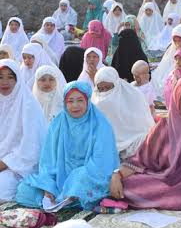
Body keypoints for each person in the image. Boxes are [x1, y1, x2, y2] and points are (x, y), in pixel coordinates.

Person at [108, 77, 181, 210]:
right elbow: (141, 158)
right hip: (165, 177)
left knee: (178, 196)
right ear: (176, 100)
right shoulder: (165, 125)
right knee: (126, 184)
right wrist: (117, 175)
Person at [16, 80, 118, 210]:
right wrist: (48, 186)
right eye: (70, 101)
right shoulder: (58, 123)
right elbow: (48, 159)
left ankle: (72, 196)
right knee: (24, 191)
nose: (75, 105)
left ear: (87, 100)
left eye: (80, 100)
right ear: (65, 103)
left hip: (88, 174)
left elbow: (102, 162)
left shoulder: (100, 124)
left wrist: (78, 177)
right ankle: (65, 198)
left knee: (78, 180)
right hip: (60, 175)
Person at [0, 59, 47, 202]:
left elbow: (31, 148)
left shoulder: (28, 105)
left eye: (10, 77)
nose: (5, 82)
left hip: (17, 167)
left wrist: (5, 162)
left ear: (18, 79)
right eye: (0, 77)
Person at [92, 67, 155, 159]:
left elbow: (143, 127)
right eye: (101, 89)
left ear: (116, 84)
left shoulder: (134, 97)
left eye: (108, 88)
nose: (105, 92)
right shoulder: (95, 102)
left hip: (133, 140)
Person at [151, 24, 181, 92]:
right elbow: (165, 66)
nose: (177, 43)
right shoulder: (172, 50)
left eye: (180, 41)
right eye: (175, 41)